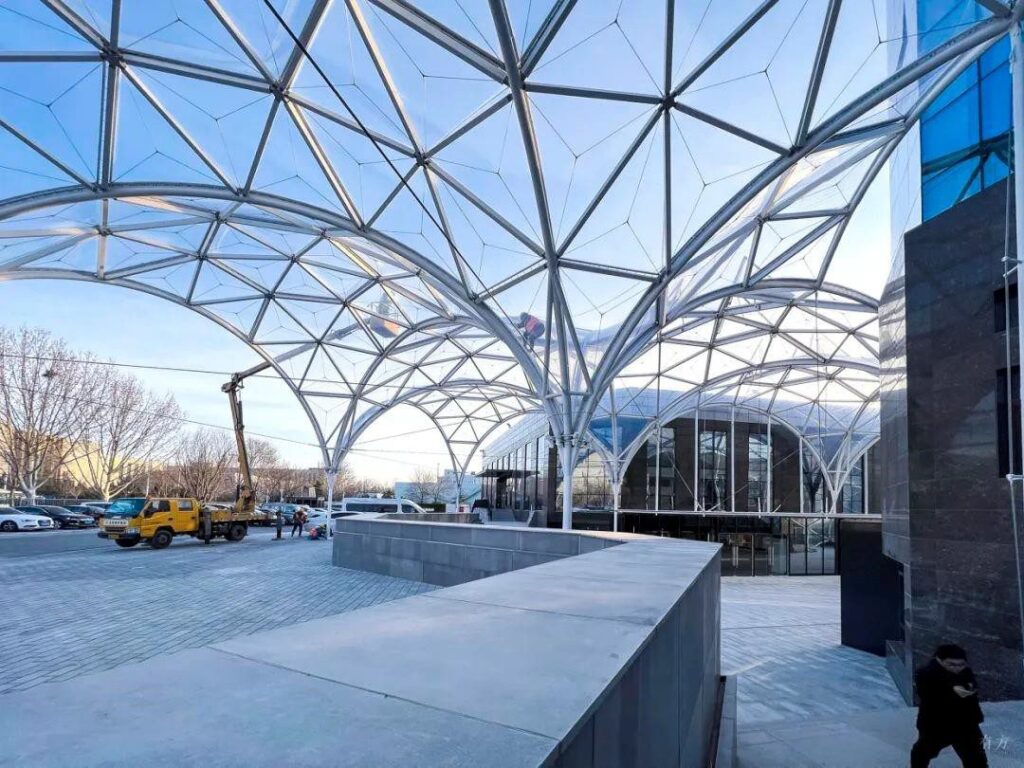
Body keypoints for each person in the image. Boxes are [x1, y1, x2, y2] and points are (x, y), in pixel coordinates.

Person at [910, 644, 988, 768]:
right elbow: (927, 695)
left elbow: (972, 686)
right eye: (952, 664)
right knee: (923, 752)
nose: (957, 668)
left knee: (976, 758)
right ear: (939, 660)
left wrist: (969, 689)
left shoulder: (965, 671)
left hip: (966, 723)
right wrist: (953, 691)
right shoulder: (926, 674)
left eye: (961, 664)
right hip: (937, 724)